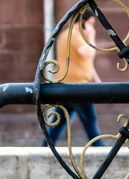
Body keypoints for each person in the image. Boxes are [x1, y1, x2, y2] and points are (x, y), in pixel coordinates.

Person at [45, 9, 104, 146]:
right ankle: (100, 149)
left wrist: (96, 79)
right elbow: (89, 54)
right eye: (90, 24)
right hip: (77, 86)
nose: (92, 27)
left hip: (67, 85)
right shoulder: (75, 35)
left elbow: (84, 62)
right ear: (82, 22)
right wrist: (92, 36)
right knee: (90, 119)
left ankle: (45, 147)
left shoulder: (67, 34)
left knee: (59, 122)